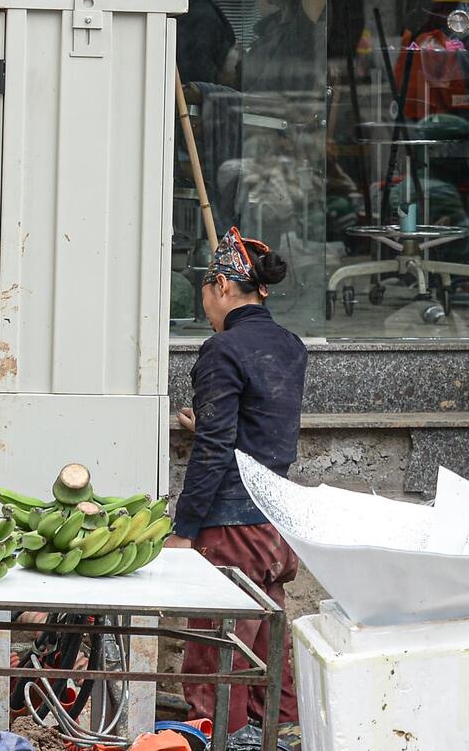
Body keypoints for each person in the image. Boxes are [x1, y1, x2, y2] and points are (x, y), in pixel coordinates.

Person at [172, 228, 308, 736]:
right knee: (272, 659)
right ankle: (287, 739)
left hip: (230, 525)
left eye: (205, 291)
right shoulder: (290, 345)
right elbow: (260, 423)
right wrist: (207, 422)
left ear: (223, 286)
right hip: (275, 523)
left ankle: (218, 743)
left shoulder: (222, 350)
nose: (204, 302)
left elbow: (214, 451)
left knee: (216, 664)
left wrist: (185, 528)